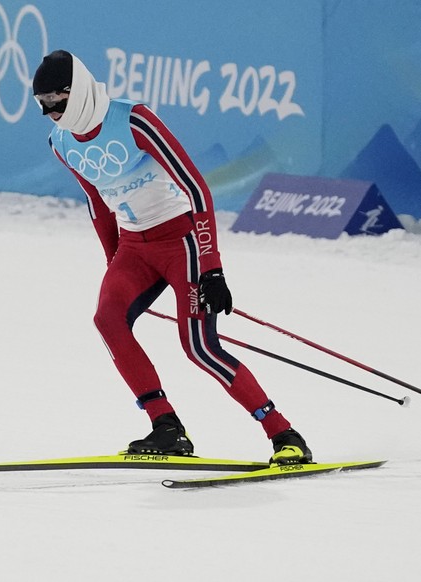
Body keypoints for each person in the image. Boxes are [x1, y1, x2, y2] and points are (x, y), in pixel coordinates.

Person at [31, 49, 312, 465]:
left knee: (199, 347)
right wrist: (114, 262)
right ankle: (166, 428)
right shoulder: (61, 143)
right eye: (42, 105)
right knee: (108, 320)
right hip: (134, 248)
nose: (51, 113)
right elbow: (97, 202)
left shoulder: (132, 120)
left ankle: (284, 435)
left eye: (57, 101)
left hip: (180, 243)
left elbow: (197, 189)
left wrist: (212, 267)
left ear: (79, 91)